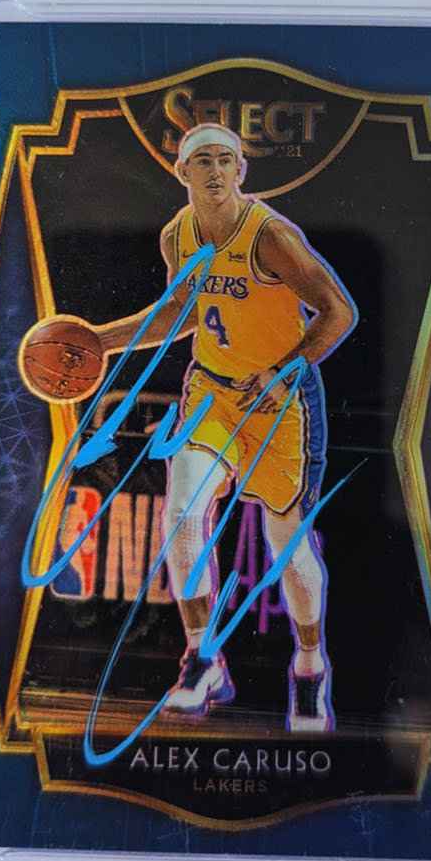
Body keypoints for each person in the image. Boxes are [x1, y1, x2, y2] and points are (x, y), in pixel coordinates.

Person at [95, 123, 357, 732]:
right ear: (182, 172)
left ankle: (310, 666)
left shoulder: (271, 237)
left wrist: (285, 369)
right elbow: (181, 312)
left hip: (278, 403)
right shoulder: (177, 234)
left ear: (240, 170)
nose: (215, 171)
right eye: (202, 161)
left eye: (225, 161)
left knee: (286, 545)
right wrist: (104, 341)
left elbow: (338, 311)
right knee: (182, 514)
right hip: (212, 393)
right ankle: (202, 660)